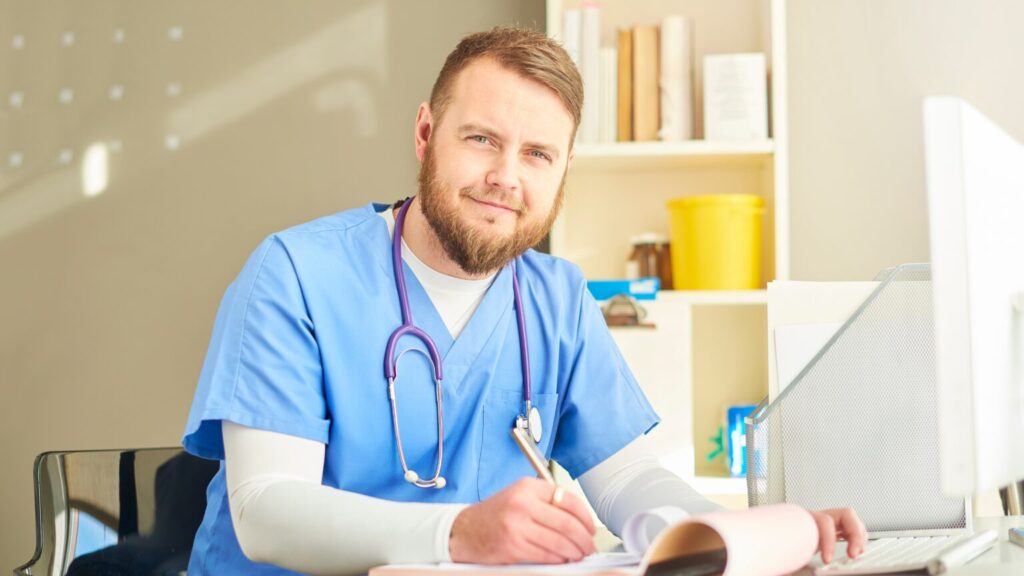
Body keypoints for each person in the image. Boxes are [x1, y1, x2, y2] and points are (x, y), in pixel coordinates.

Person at [182, 26, 866, 575]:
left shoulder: (557, 297)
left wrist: (746, 537)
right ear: (425, 135)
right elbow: (264, 509)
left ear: (564, 169)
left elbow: (624, 475)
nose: (504, 177)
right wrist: (460, 532)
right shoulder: (297, 274)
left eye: (538, 154)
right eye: (481, 139)